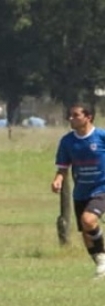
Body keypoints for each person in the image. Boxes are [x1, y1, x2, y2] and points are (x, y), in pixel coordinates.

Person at [51, 103, 105, 278]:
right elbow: (63, 166)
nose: (71, 119)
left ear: (88, 117)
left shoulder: (101, 136)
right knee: (86, 231)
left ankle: (103, 258)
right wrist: (58, 179)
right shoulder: (67, 141)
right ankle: (100, 265)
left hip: (102, 188)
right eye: (70, 115)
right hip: (81, 191)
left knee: (88, 220)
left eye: (75, 115)